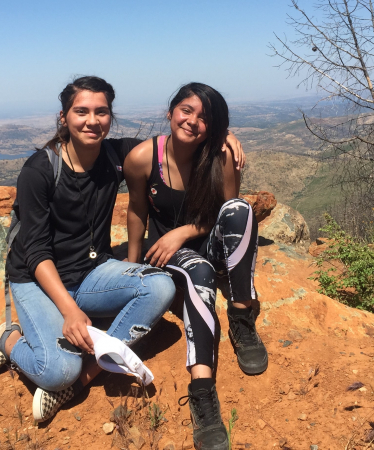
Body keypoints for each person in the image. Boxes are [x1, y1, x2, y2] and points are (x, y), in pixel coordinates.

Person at [0, 76, 177, 422]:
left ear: (110, 116)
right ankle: (8, 341)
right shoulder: (40, 170)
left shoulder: (115, 155)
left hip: (91, 273)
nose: (92, 120)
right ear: (64, 117)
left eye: (101, 112)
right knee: (56, 370)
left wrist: (218, 134)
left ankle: (89, 371)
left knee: (161, 285)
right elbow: (34, 251)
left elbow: (170, 146)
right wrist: (70, 311)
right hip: (37, 280)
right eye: (82, 111)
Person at [124, 82, 267, 450]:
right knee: (199, 272)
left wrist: (183, 231)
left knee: (242, 209)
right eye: (186, 110)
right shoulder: (142, 158)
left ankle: (240, 316)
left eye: (204, 118)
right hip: (172, 255)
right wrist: (132, 265)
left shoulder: (218, 156)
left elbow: (226, 211)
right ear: (171, 111)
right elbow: (137, 211)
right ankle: (202, 391)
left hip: (205, 242)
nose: (192, 122)